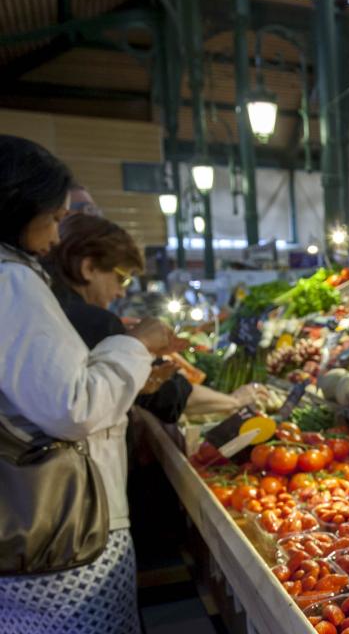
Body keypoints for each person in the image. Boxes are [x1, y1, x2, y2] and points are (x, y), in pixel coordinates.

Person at [0, 135, 182, 634]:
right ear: (19, 203)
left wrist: (130, 381)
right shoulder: (11, 279)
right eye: (55, 217)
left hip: (30, 530)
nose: (57, 237)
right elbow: (72, 406)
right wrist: (138, 345)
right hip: (62, 529)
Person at [49, 212, 266, 419]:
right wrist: (234, 401)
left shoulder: (46, 307)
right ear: (88, 268)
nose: (121, 292)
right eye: (122, 279)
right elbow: (166, 396)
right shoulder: (95, 322)